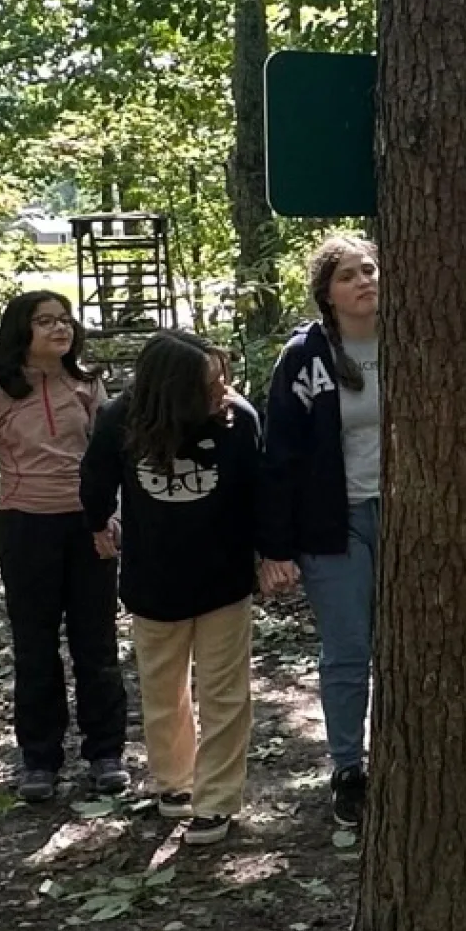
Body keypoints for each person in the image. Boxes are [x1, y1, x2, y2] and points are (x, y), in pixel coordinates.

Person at [81, 331, 296, 842]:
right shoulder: (120, 419)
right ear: (173, 389)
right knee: (163, 691)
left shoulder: (238, 420)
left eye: (223, 378)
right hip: (153, 582)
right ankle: (174, 783)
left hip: (224, 580)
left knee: (225, 693)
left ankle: (217, 799)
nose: (223, 389)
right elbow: (95, 478)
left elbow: (262, 492)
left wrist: (272, 553)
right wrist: (98, 523)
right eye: (211, 383)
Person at [0, 289, 125, 805]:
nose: (60, 329)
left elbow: (110, 457)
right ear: (22, 331)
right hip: (24, 527)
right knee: (36, 647)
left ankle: (106, 753)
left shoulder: (87, 383)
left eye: (65, 320)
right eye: (45, 321)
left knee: (97, 644)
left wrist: (112, 517)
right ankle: (39, 759)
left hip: (88, 526)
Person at [264, 233, 387, 826]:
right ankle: (348, 767)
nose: (364, 281)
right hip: (334, 522)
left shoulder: (414, 338)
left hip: (409, 516)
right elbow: (279, 455)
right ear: (327, 294)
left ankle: (404, 752)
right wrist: (276, 548)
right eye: (348, 276)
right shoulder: (304, 356)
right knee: (348, 648)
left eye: (370, 270)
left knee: (410, 643)